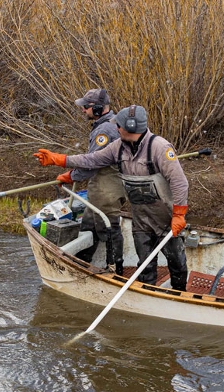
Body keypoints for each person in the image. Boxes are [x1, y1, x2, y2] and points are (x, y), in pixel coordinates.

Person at [34, 105, 189, 291]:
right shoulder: (118, 147)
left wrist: (179, 214)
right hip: (141, 218)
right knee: (145, 263)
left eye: (120, 126)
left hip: (166, 218)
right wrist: (60, 160)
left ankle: (180, 293)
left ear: (131, 127)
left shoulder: (160, 148)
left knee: (177, 263)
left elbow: (180, 183)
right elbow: (91, 160)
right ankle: (148, 296)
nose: (116, 128)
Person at [57, 88, 127, 275]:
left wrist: (72, 176)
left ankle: (115, 270)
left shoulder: (104, 130)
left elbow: (92, 163)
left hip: (108, 188)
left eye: (86, 107)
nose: (83, 110)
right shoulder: (110, 124)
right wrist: (73, 173)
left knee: (109, 226)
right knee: (88, 224)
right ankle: (80, 264)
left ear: (97, 108)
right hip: (101, 187)